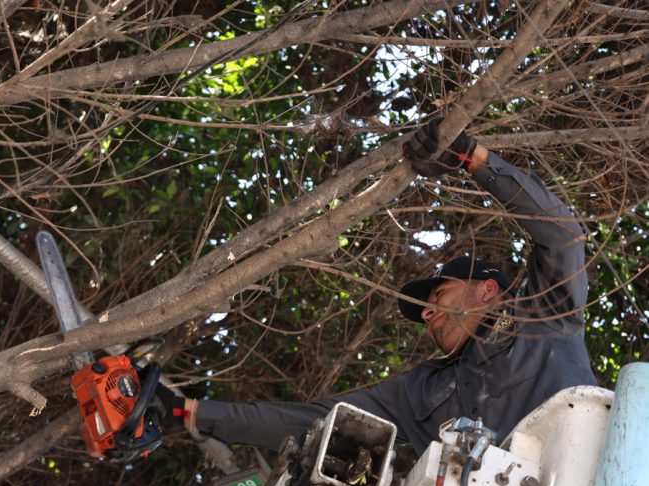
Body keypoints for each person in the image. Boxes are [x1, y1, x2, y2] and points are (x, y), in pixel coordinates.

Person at [160, 118, 596, 456]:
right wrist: (189, 413)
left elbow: (561, 234)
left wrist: (471, 158)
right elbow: (320, 421)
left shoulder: (542, 315)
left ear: (486, 291)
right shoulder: (419, 392)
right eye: (424, 310)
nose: (426, 315)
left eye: (438, 297)